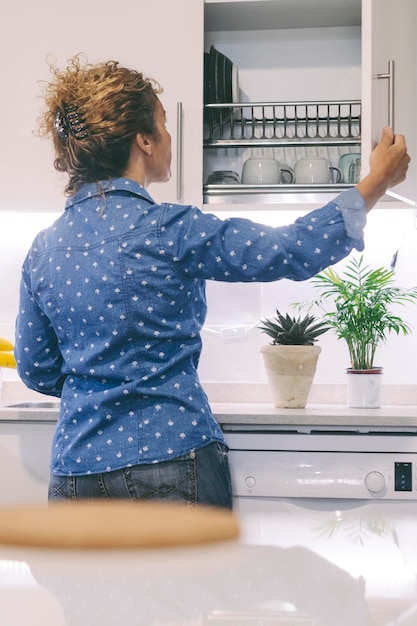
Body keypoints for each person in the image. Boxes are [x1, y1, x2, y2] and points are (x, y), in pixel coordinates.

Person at [15, 54, 410, 509]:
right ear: (143, 139)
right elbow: (288, 250)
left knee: (88, 584)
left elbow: (37, 367)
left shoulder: (43, 251)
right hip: (170, 459)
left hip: (76, 470)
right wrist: (376, 181)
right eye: (163, 126)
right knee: (189, 583)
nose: (168, 138)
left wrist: (101, 380)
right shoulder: (170, 229)